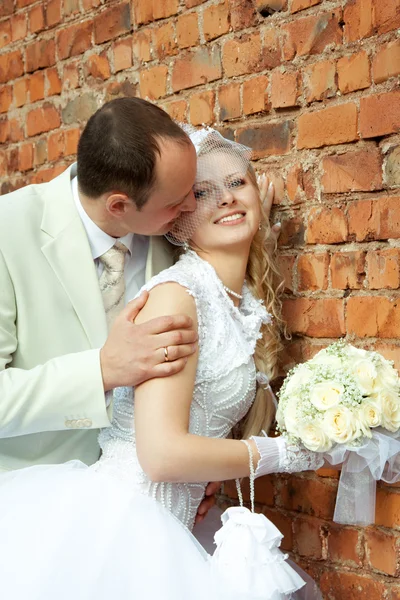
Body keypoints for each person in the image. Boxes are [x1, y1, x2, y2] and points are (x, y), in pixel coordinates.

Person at [0, 126, 322, 600]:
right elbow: (160, 452)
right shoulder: (12, 229)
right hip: (71, 516)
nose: (206, 203)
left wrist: (247, 214)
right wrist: (102, 371)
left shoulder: (179, 248)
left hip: (172, 518)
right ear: (122, 206)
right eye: (193, 196)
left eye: (237, 184)